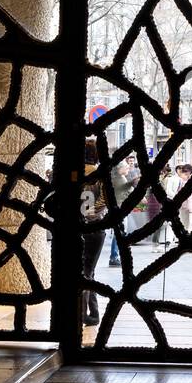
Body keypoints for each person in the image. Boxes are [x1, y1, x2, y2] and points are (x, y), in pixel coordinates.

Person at [79, 138, 108, 325]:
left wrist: (85, 215)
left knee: (84, 274)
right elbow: (105, 200)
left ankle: (81, 314)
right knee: (89, 273)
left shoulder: (78, 174)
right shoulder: (100, 174)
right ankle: (93, 314)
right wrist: (92, 215)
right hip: (97, 228)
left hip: (83, 228)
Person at [107, 157, 139, 267]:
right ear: (120, 169)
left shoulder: (118, 177)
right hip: (120, 210)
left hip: (119, 209)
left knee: (119, 232)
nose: (128, 169)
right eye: (126, 167)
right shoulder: (119, 178)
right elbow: (127, 189)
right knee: (119, 233)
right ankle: (114, 257)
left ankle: (115, 256)